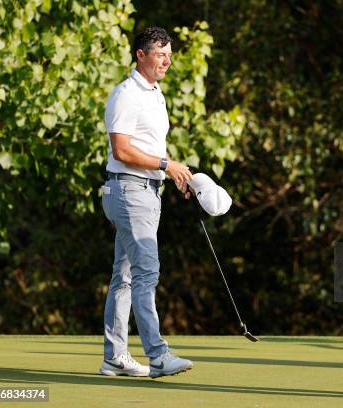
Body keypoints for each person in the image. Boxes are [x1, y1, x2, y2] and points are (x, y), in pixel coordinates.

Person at [99, 27, 194, 379]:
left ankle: (115, 357)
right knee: (145, 274)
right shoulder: (126, 94)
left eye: (169, 53)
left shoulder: (156, 95)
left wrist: (175, 174)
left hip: (144, 190)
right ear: (140, 55)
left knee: (124, 277)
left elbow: (152, 150)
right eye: (160, 52)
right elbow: (121, 150)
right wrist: (166, 166)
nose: (167, 59)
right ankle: (157, 355)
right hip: (129, 192)